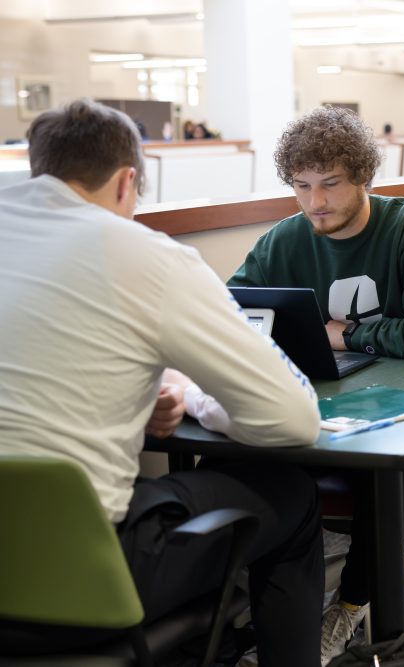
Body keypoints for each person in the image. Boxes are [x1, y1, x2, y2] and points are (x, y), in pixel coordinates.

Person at [0, 99, 324, 665]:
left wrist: (137, 386)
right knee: (291, 491)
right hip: (80, 586)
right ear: (128, 182)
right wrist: (193, 395)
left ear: (37, 169)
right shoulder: (148, 257)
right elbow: (293, 418)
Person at [228, 105, 404, 660]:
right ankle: (261, 612)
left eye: (330, 184)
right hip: (318, 409)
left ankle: (350, 606)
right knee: (239, 461)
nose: (316, 203)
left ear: (363, 176)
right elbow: (229, 310)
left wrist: (347, 335)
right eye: (302, 186)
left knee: (388, 480)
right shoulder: (283, 241)